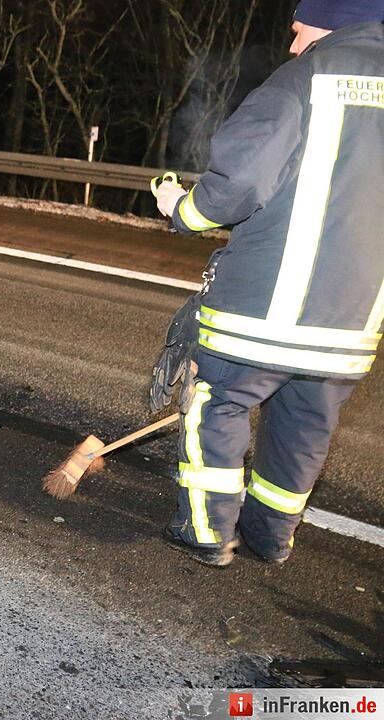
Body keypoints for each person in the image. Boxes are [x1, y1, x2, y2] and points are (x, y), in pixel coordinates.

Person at [152, 0, 384, 567]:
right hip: (353, 320)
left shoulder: (304, 79)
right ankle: (271, 537)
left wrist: (180, 208)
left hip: (265, 311)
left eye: (298, 30)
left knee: (218, 405)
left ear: (332, 20)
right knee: (305, 427)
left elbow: (238, 185)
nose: (293, 44)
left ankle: (207, 532)